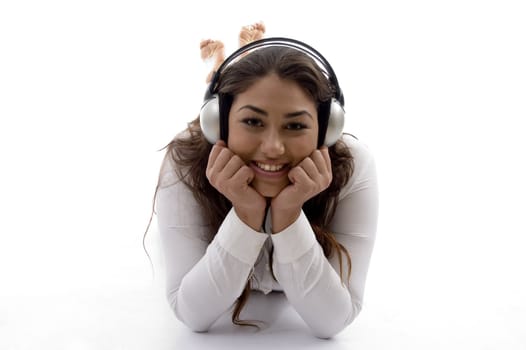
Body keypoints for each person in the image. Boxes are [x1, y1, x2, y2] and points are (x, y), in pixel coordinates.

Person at [150, 28, 379, 339]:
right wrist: (246, 214)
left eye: (295, 125)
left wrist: (288, 215)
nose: (273, 147)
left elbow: (332, 321)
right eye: (252, 121)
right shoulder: (186, 159)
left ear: (328, 130)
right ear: (218, 122)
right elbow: (192, 313)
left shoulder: (354, 165)